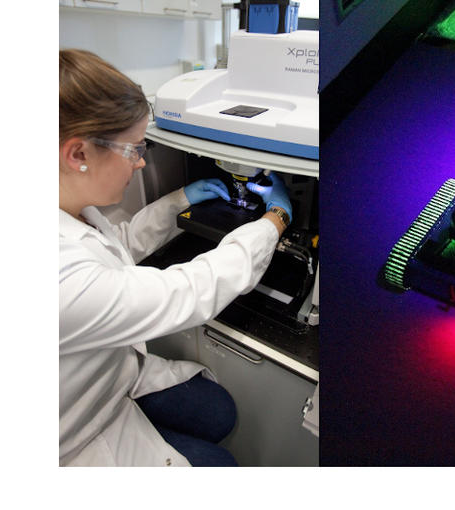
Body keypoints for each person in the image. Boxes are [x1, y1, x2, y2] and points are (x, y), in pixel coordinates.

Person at [58, 49, 293, 466]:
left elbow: (114, 250)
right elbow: (190, 290)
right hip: (75, 436)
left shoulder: (69, 211)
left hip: (109, 373)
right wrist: (275, 219)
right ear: (78, 155)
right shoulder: (59, 279)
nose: (142, 161)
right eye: (133, 149)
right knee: (221, 466)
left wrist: (180, 200)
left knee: (219, 412)